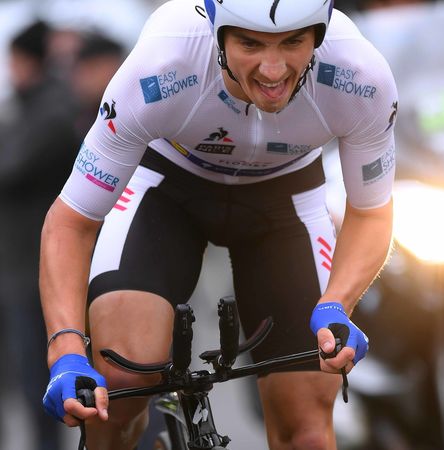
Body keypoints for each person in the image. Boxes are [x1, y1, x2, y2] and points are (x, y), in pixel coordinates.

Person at [39, 0, 398, 449]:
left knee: (306, 429)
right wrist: (66, 352)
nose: (273, 69)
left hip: (285, 202)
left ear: (320, 34)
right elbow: (71, 221)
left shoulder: (359, 75)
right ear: (217, 33)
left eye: (293, 42)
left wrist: (337, 304)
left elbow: (371, 212)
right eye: (250, 43)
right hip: (168, 189)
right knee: (123, 381)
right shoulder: (164, 61)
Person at [0, 19, 79, 450]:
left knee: (39, 376)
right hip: (19, 261)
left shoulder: (53, 110)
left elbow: (10, 168)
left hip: (37, 264)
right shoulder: (27, 105)